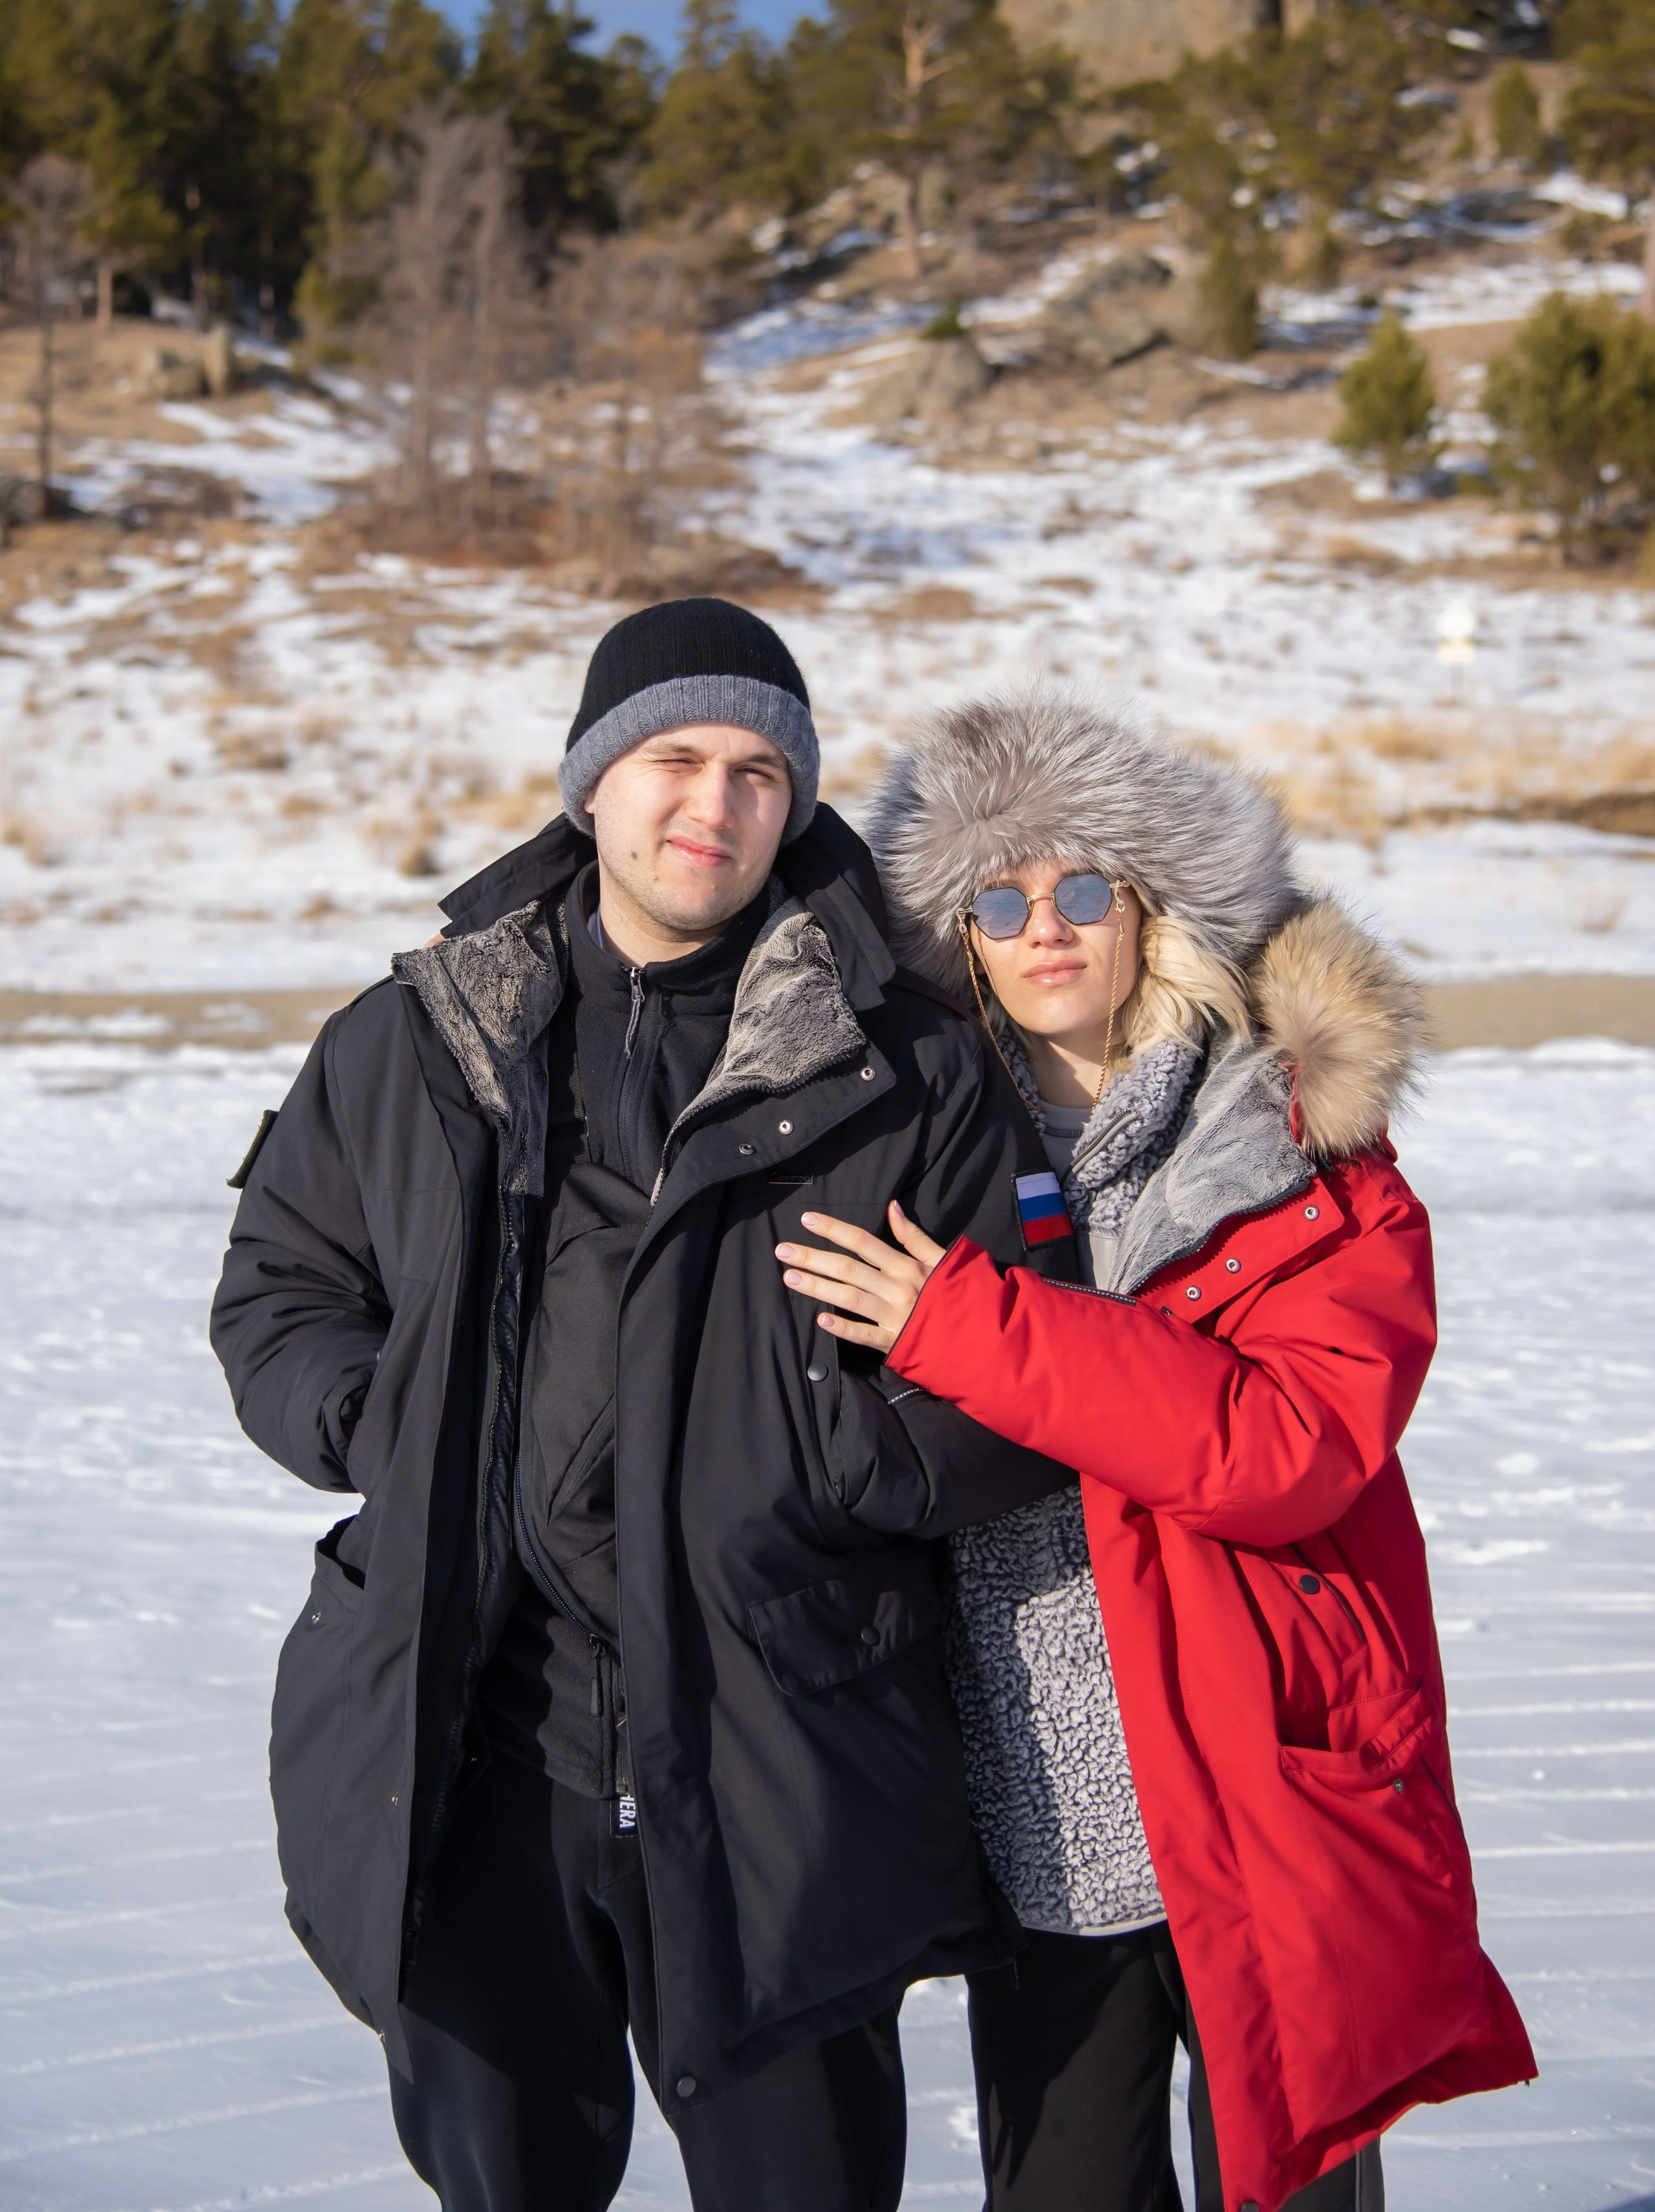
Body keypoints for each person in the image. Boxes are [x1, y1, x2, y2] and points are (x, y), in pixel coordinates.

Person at [210, 601, 1082, 2212]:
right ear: (591, 783)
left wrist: (833, 1459)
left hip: (782, 1746)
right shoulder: (415, 1040)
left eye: (760, 772)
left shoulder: (907, 1067)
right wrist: (379, 1425)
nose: (714, 803)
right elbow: (282, 1286)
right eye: (674, 757)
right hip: (474, 1739)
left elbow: (1027, 1380)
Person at [776, 684, 1537, 2212]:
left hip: (1263, 1788)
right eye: (998, 901)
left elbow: (1286, 1446)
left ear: (1151, 909)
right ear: (960, 942)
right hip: (1034, 1812)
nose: (1043, 929)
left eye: (1080, 890)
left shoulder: (1298, 1149)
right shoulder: (920, 1158)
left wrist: (974, 1329)